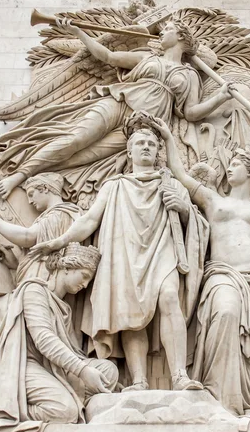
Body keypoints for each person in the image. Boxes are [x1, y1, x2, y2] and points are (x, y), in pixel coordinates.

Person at [30, 118, 209, 392]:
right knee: (130, 312)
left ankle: (179, 376)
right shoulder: (114, 185)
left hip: (163, 249)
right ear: (130, 151)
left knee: (170, 297)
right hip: (125, 252)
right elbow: (90, 220)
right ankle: (138, 380)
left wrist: (184, 209)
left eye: (151, 143)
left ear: (158, 151)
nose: (146, 147)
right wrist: (60, 241)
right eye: (140, 143)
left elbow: (195, 223)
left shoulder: (171, 182)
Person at [152, 117, 250, 415]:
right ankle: (218, 396)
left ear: (249, 172)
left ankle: (241, 402)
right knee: (226, 313)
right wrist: (169, 137)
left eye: (235, 164)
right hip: (223, 274)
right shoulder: (212, 199)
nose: (229, 168)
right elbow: (180, 173)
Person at [0, 19, 231, 200]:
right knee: (76, 139)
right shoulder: (146, 57)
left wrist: (220, 97)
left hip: (140, 127)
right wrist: (78, 32)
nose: (161, 33)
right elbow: (107, 55)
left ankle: (40, 176)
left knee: (87, 156)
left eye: (167, 29)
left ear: (180, 36)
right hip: (118, 102)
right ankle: (19, 175)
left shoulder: (189, 75)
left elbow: (190, 113)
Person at [0, 172, 82, 407]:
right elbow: (37, 259)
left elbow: (27, 237)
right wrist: (15, 264)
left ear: (46, 189)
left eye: (33, 194)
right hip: (32, 291)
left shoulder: (61, 214)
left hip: (38, 296)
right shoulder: (50, 217)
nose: (30, 201)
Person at [0, 243, 118, 432]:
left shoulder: (63, 307)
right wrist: (83, 370)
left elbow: (69, 350)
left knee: (108, 370)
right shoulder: (34, 290)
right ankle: (0, 410)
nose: (84, 285)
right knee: (65, 410)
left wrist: (87, 367)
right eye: (84, 277)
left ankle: (75, 400)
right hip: (24, 366)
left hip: (51, 368)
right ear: (66, 267)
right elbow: (44, 340)